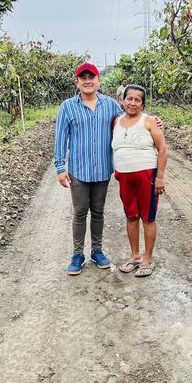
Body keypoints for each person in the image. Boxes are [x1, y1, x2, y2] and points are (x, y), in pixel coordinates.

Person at [54, 62, 123, 275]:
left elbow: (129, 120)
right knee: (80, 211)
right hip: (79, 170)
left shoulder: (110, 105)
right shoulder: (67, 106)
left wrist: (152, 122)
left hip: (102, 168)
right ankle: (77, 254)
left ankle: (97, 251)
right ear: (77, 82)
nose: (87, 81)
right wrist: (60, 167)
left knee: (98, 212)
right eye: (83, 78)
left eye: (91, 77)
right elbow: (60, 138)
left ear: (98, 81)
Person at [112, 85, 167, 277]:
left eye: (137, 100)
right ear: (123, 100)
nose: (133, 103)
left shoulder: (149, 121)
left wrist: (160, 177)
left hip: (147, 176)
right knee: (131, 216)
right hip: (124, 177)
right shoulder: (116, 121)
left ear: (143, 104)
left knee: (148, 217)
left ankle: (147, 258)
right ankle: (135, 256)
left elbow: (163, 149)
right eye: (129, 98)